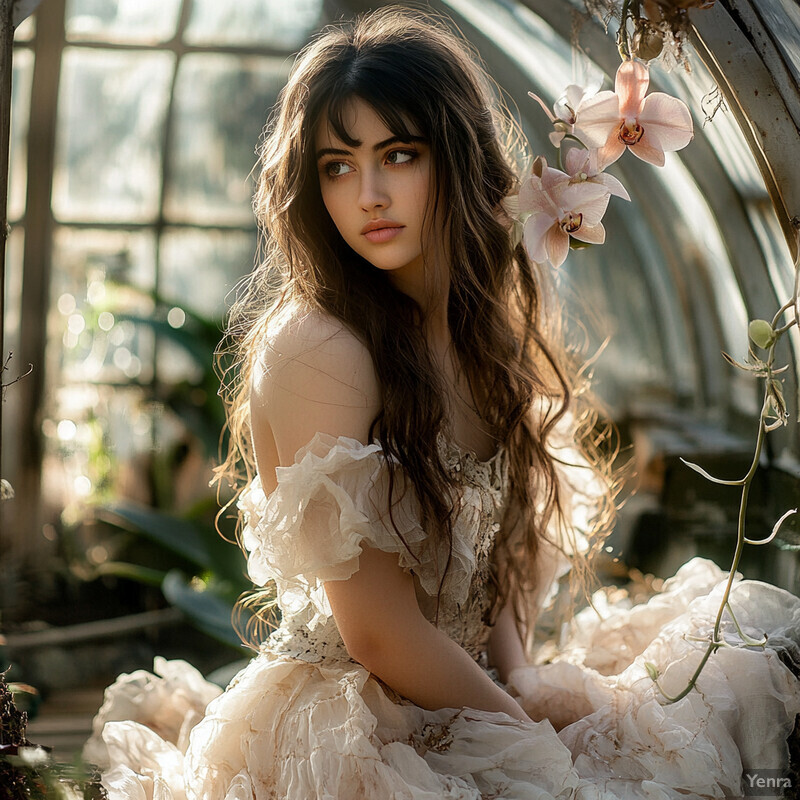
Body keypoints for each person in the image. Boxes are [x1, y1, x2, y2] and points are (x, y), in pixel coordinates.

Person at [85, 7, 800, 799]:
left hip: (464, 690)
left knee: (736, 661)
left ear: (455, 159)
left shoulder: (473, 330)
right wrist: (531, 735)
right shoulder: (323, 348)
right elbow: (379, 634)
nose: (370, 195)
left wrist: (523, 674)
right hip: (355, 726)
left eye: (399, 154)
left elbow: (485, 548)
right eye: (338, 165)